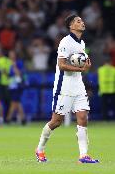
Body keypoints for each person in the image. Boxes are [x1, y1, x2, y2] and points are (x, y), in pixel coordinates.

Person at [35, 14, 99, 163]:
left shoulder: (82, 43)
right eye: (78, 21)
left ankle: (83, 155)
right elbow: (61, 65)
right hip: (64, 86)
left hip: (78, 86)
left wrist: (85, 66)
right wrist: (81, 70)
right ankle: (39, 149)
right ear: (71, 26)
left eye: (82, 20)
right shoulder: (66, 41)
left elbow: (79, 64)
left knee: (83, 118)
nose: (82, 22)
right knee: (56, 121)